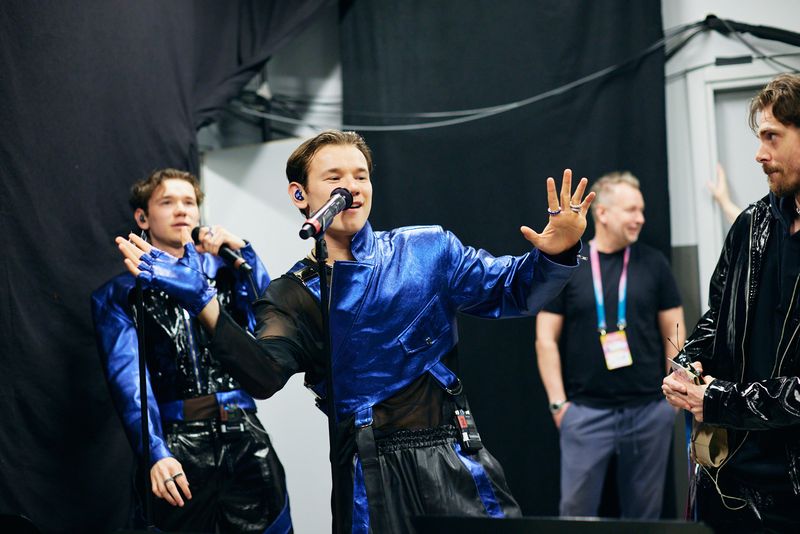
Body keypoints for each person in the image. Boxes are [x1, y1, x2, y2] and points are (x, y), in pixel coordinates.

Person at [114, 130, 595, 533]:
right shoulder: (292, 293)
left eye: (361, 176)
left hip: (452, 453)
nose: (352, 187)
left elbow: (513, 291)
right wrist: (203, 301)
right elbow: (263, 374)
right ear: (300, 195)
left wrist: (555, 254)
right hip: (368, 472)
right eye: (335, 177)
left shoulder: (427, 249)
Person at [91, 169, 291, 533]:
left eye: (189, 202)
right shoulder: (121, 294)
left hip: (246, 436)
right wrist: (154, 451)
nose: (181, 210)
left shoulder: (228, 272)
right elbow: (130, 383)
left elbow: (272, 328)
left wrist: (244, 255)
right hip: (180, 444)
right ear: (143, 217)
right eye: (167, 202)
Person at [663, 73, 800, 533]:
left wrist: (720, 400)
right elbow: (716, 320)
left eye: (772, 137)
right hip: (730, 480)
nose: (760, 154)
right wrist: (688, 365)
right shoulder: (751, 225)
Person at [535, 171, 685, 518]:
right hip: (586, 414)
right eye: (631, 210)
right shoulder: (569, 266)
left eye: (642, 210)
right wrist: (559, 406)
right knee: (576, 514)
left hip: (649, 411)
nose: (640, 219)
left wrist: (672, 399)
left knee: (644, 517)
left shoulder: (654, 263)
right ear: (602, 213)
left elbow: (675, 331)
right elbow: (545, 338)